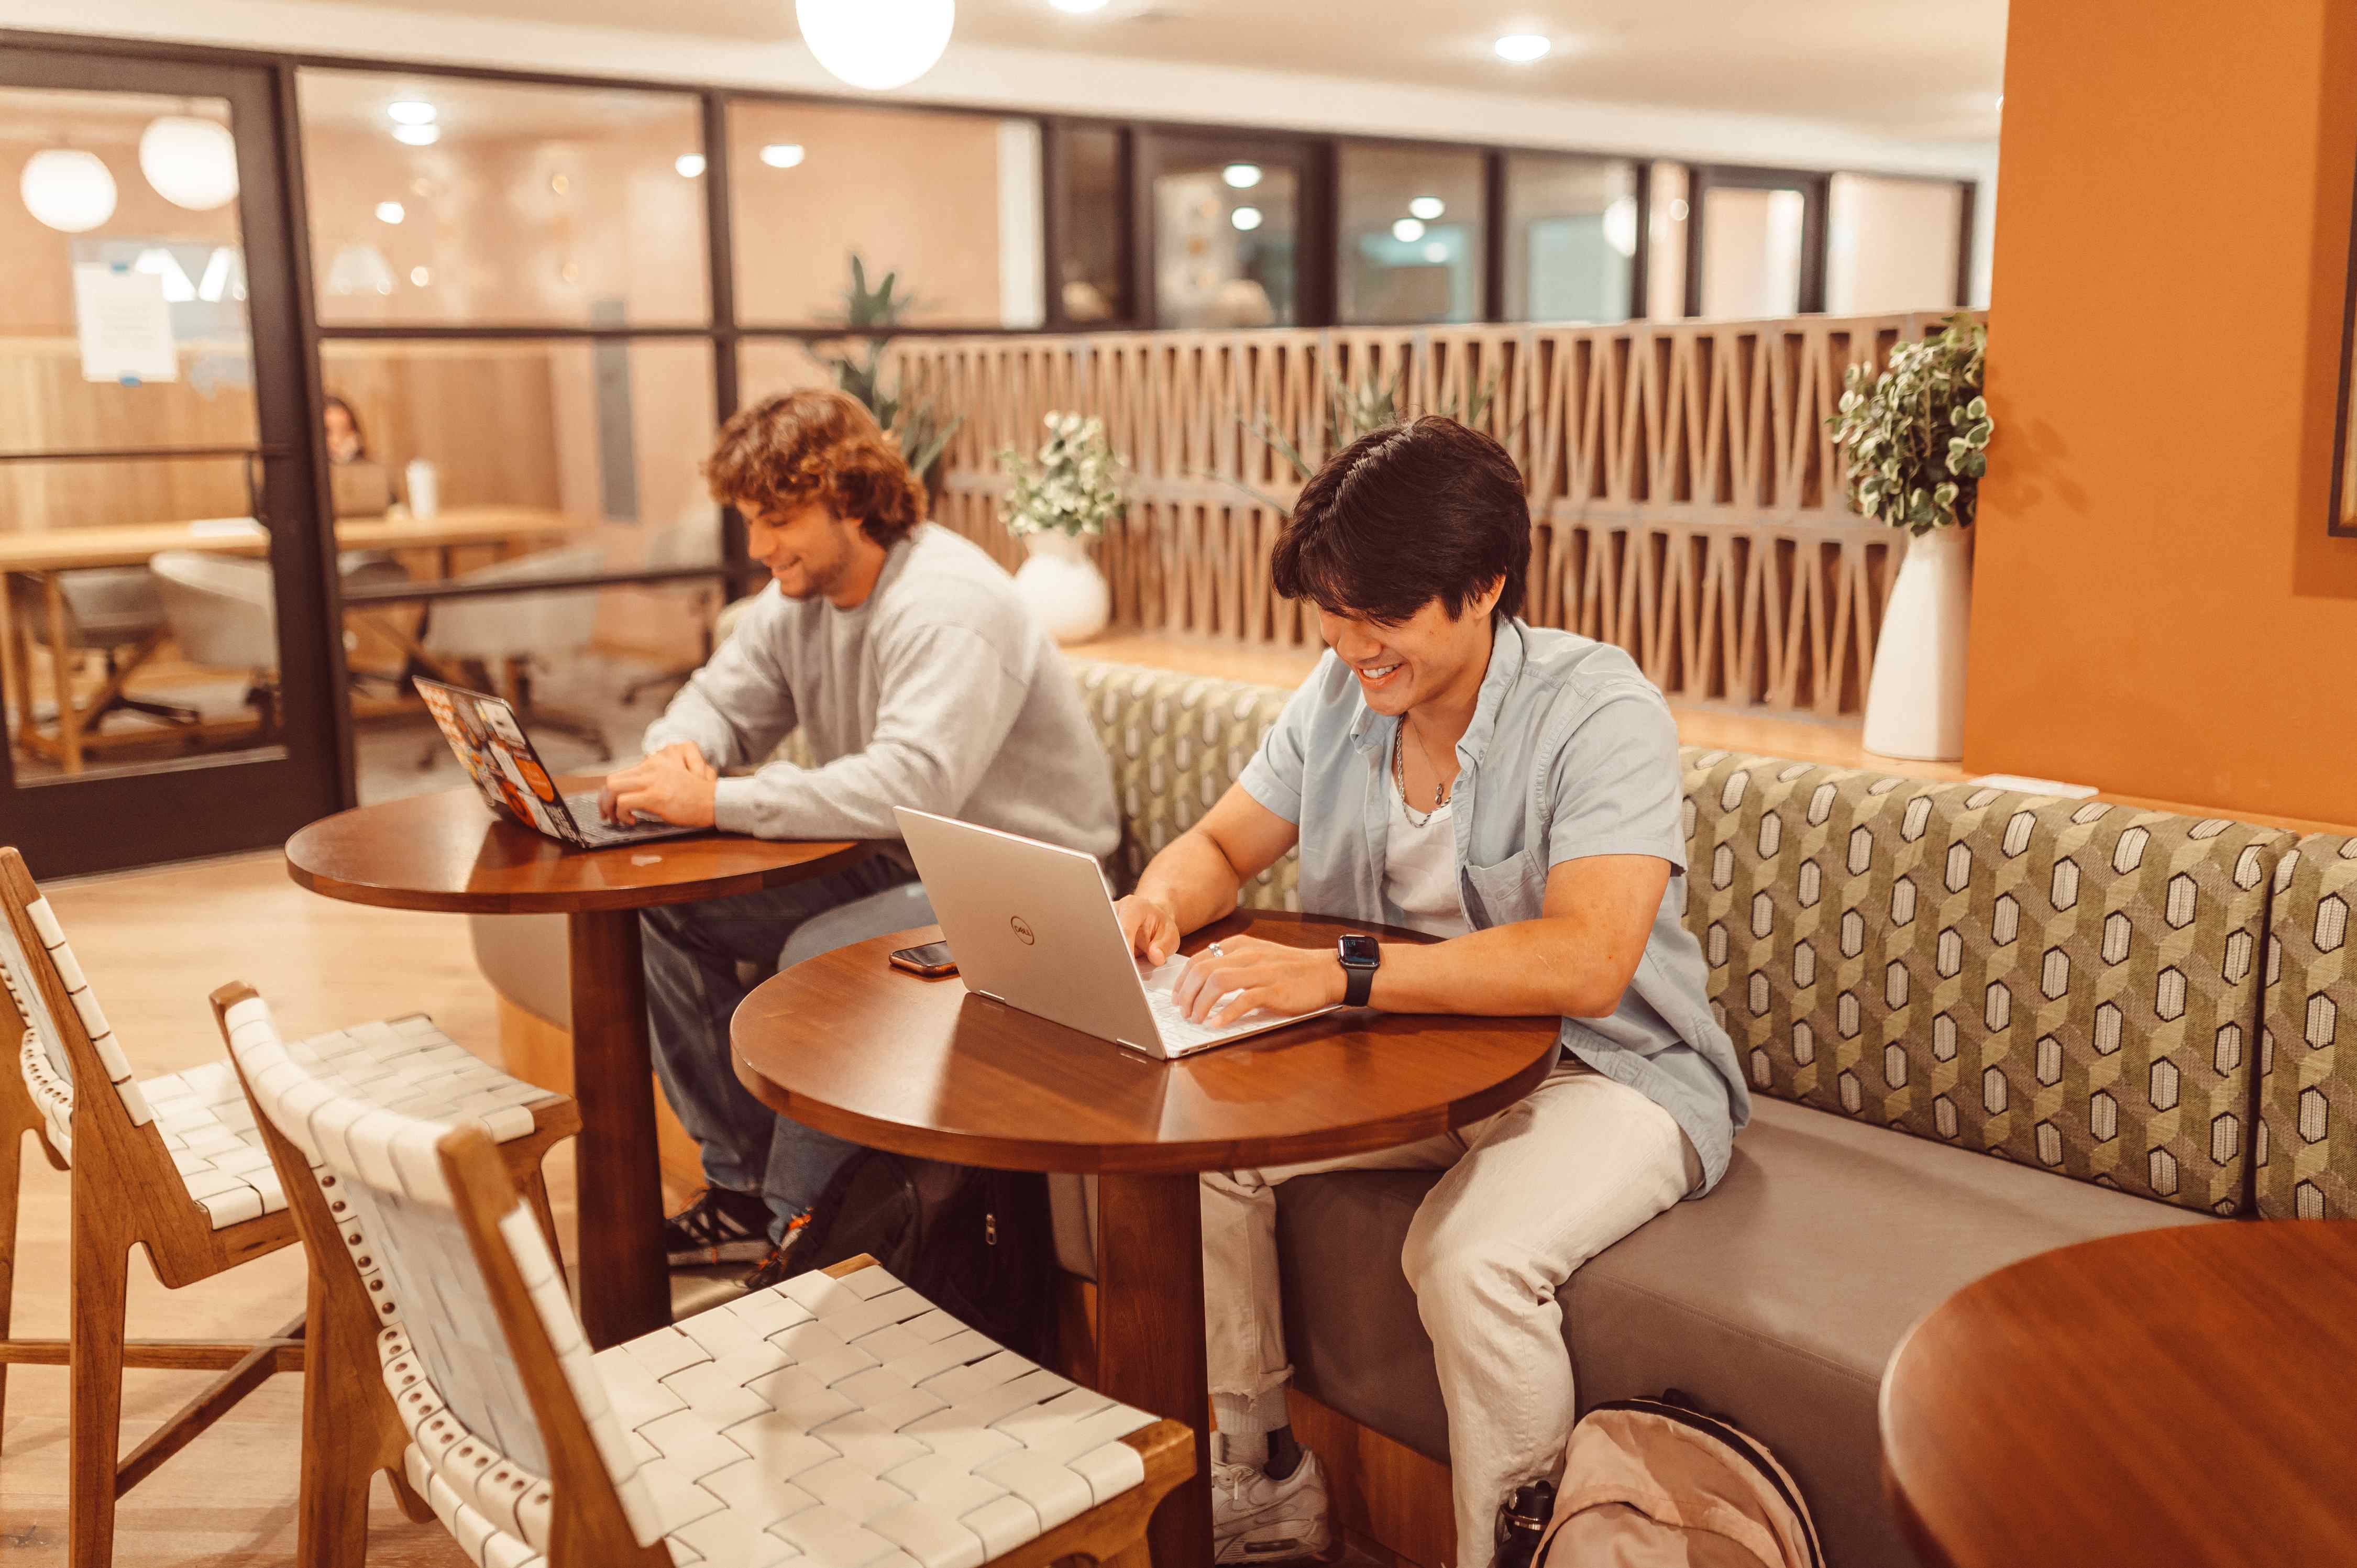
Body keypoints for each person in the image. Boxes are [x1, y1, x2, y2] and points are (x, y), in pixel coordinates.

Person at [1111, 416, 1749, 1568]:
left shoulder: (1596, 709)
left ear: (1485, 584)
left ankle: (1509, 1552)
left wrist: (1343, 975)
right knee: (1202, 1152)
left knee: (1467, 1260)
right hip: (1411, 1063)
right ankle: (1259, 1474)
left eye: (1384, 612)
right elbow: (1216, 842)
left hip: (1608, 1071)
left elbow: (1590, 961)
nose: (1354, 643)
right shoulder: (1341, 693)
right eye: (1332, 610)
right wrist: (1158, 899)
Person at [599, 388, 1119, 1288]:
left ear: (850, 499)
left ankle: (811, 1239)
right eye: (750, 522)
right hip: (898, 862)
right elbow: (718, 700)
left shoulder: (948, 602)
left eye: (776, 520)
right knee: (666, 908)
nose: (759, 548)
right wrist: (675, 758)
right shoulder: (799, 597)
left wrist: (716, 799)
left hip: (1027, 886)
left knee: (822, 954)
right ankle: (743, 1187)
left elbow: (910, 784)